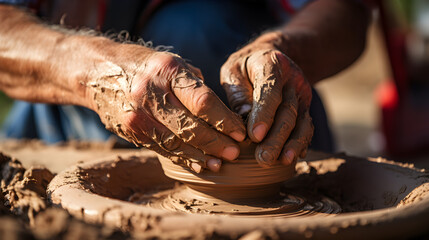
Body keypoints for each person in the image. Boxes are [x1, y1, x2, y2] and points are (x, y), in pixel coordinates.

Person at [0, 0, 370, 173]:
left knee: (193, 32)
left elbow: (347, 11)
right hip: (63, 90)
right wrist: (99, 73)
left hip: (236, 61)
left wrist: (283, 47)